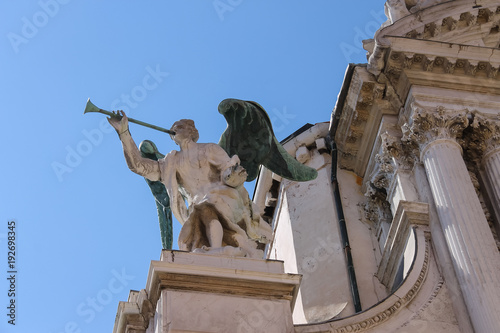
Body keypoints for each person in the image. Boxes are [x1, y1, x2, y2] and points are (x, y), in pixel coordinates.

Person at [108, 111, 271, 258]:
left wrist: (234, 172)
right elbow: (138, 166)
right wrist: (124, 133)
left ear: (191, 131)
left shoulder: (209, 149)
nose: (175, 129)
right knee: (201, 211)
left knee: (207, 205)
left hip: (226, 198)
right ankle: (221, 249)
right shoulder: (171, 162)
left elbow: (228, 170)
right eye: (173, 128)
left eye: (180, 126)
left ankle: (216, 249)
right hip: (198, 208)